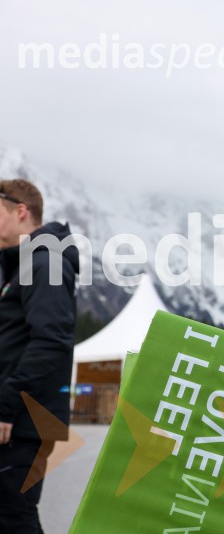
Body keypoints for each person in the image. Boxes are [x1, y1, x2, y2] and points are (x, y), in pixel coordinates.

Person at [0, 179, 78, 533]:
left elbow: (51, 341)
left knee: (13, 516)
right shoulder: (19, 265)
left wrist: (5, 405)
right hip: (20, 414)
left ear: (20, 211)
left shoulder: (43, 262)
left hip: (23, 417)